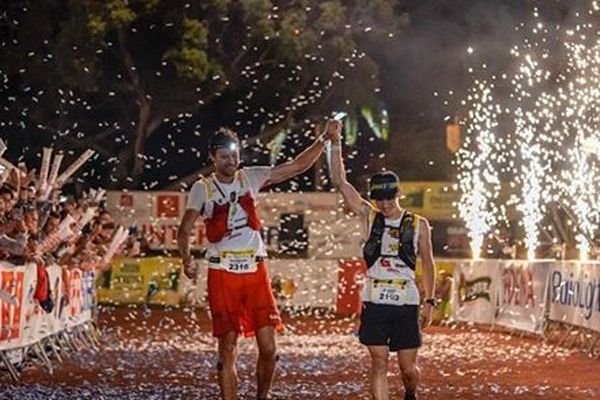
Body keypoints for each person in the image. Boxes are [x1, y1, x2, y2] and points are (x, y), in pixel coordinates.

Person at [178, 122, 339, 400]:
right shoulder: (201, 189)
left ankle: (261, 397)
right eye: (225, 156)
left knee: (269, 349)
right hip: (222, 271)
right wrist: (187, 260)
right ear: (213, 157)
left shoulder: (250, 177)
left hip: (255, 270)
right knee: (227, 346)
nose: (231, 161)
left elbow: (298, 165)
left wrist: (324, 138)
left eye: (235, 155)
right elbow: (184, 229)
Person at [327, 126, 436, 400]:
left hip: (406, 299)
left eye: (389, 197)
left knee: (408, 368)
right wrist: (336, 142)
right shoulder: (369, 216)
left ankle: (411, 392)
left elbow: (429, 262)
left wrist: (430, 300)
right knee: (378, 363)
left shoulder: (418, 224)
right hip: (375, 298)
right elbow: (340, 182)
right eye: (380, 198)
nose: (385, 204)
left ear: (398, 195)